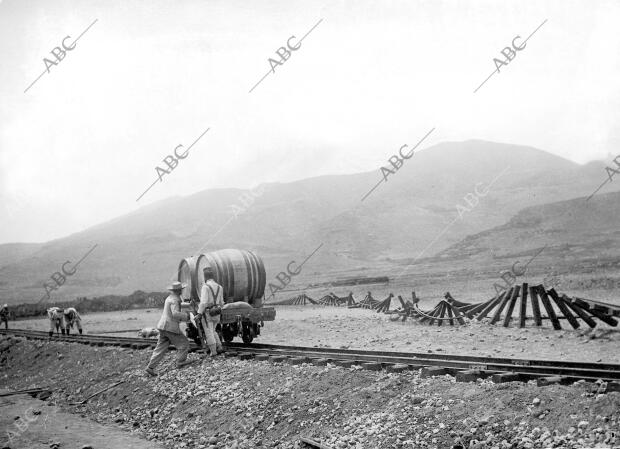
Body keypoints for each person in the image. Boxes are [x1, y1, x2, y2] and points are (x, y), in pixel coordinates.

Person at [145, 281, 193, 376]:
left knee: (160, 347)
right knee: (184, 343)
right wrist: (187, 316)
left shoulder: (169, 298)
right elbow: (175, 314)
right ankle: (180, 361)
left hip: (162, 326)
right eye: (181, 290)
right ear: (179, 290)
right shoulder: (176, 299)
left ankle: (150, 367)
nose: (182, 291)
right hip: (170, 327)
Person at [195, 267, 224, 357]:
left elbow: (203, 302)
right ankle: (219, 347)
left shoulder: (205, 287)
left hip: (208, 313)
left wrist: (199, 314)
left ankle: (213, 351)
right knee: (213, 330)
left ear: (205, 277)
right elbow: (222, 302)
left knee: (209, 332)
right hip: (217, 312)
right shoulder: (220, 287)